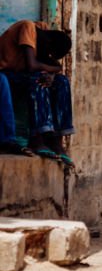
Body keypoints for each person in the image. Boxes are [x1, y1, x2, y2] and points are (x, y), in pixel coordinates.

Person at [0, 20, 74, 165]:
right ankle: (37, 137)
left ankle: (56, 140)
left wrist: (52, 76)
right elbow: (32, 65)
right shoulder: (28, 27)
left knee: (62, 82)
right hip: (5, 72)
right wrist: (54, 70)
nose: (47, 55)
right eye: (49, 51)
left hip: (19, 75)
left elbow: (51, 65)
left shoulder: (42, 30)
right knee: (38, 79)